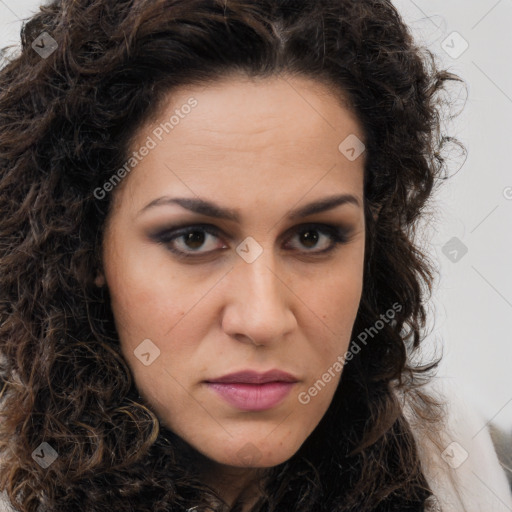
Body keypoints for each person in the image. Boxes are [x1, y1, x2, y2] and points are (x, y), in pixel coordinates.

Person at [0, 0, 510, 511]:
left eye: (313, 237)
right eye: (194, 238)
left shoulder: (477, 475)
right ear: (87, 248)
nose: (263, 319)